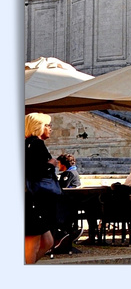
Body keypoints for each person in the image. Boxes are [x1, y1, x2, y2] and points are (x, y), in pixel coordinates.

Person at [25, 113, 64, 263]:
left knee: (47, 241)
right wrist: (51, 164)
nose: (50, 128)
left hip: (33, 198)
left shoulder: (27, 143)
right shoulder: (36, 144)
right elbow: (35, 172)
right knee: (32, 244)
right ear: (38, 127)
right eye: (48, 125)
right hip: (33, 199)